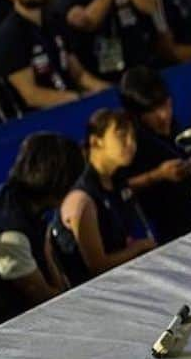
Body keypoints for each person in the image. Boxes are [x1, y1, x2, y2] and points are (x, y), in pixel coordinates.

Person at [0, 133, 83, 340]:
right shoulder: (8, 236)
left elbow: (45, 246)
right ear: (60, 185)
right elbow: (42, 298)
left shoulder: (15, 196)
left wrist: (63, 290)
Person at [118, 66, 191, 244]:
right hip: (174, 230)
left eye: (167, 105)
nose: (164, 115)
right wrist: (157, 175)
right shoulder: (130, 146)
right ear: (136, 115)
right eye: (153, 111)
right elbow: (120, 189)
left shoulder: (175, 128)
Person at [0, 0, 109, 110]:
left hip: (73, 104)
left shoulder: (55, 21)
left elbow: (79, 74)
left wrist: (109, 90)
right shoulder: (9, 35)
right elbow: (31, 95)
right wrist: (78, 98)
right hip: (40, 120)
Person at [56, 109, 155, 283]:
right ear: (96, 141)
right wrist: (140, 247)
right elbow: (97, 266)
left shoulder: (117, 179)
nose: (131, 143)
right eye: (122, 135)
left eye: (133, 136)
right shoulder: (82, 198)